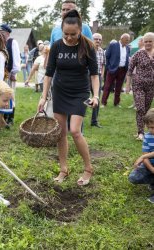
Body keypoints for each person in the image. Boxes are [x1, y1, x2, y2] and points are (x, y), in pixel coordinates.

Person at [37, 10, 99, 186]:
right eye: (66, 34)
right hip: (60, 92)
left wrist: (95, 95)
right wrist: (43, 97)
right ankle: (64, 169)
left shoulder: (87, 46)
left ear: (80, 30)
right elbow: (49, 74)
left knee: (75, 131)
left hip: (80, 92)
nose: (70, 38)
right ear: (61, 31)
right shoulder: (56, 46)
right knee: (61, 133)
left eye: (74, 34)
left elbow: (94, 75)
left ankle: (88, 169)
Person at [126, 32, 154, 141]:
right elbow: (129, 70)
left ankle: (148, 130)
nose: (147, 43)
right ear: (143, 42)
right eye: (146, 41)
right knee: (140, 108)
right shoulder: (138, 54)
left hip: (151, 86)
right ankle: (140, 132)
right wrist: (128, 86)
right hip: (138, 85)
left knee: (146, 110)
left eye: (150, 41)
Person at [129, 108, 154, 203]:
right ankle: (152, 181)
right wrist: (151, 169)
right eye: (150, 127)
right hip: (151, 165)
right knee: (133, 177)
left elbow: (144, 156)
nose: (152, 130)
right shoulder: (147, 137)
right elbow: (145, 155)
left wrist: (143, 157)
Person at [0, 23, 21, 126]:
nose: (1, 35)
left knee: (10, 95)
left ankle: (10, 118)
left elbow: (16, 58)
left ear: (7, 33)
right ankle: (2, 117)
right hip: (1, 74)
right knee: (2, 95)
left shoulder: (12, 42)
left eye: (2, 33)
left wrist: (14, 72)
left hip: (10, 73)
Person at [101, 33, 131, 107]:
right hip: (112, 69)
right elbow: (107, 56)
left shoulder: (127, 48)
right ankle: (103, 103)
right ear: (121, 39)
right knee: (107, 86)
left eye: (128, 40)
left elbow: (127, 58)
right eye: (126, 40)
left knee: (119, 87)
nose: (127, 41)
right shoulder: (113, 45)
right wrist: (108, 67)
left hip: (123, 69)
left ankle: (116, 103)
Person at [91, 33, 106, 128]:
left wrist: (102, 75)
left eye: (100, 39)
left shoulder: (102, 51)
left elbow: (103, 64)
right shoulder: (88, 50)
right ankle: (80, 116)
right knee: (83, 96)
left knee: (97, 98)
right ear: (92, 40)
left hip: (98, 76)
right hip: (88, 76)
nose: (98, 41)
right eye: (96, 39)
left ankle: (94, 121)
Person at [127, 37, 144, 109]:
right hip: (134, 73)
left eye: (139, 41)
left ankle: (139, 105)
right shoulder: (138, 51)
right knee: (135, 89)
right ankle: (134, 103)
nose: (138, 43)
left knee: (140, 91)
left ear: (143, 42)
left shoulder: (144, 51)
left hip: (141, 74)